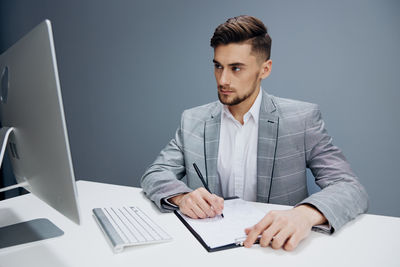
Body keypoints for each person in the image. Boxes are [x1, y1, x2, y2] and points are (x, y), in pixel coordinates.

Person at [141, 15, 368, 251]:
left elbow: (350, 187)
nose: (223, 79)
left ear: (265, 69)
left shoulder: (302, 119)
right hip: (208, 252)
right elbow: (156, 174)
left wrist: (304, 215)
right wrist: (182, 197)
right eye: (218, 66)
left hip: (277, 251)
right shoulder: (193, 120)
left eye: (236, 68)